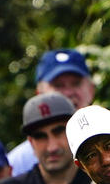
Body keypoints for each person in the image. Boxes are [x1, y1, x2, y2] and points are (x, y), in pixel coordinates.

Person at [8, 48, 96, 176]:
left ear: (91, 90)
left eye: (76, 83)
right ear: (39, 94)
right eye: (58, 85)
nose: (68, 93)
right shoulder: (19, 163)